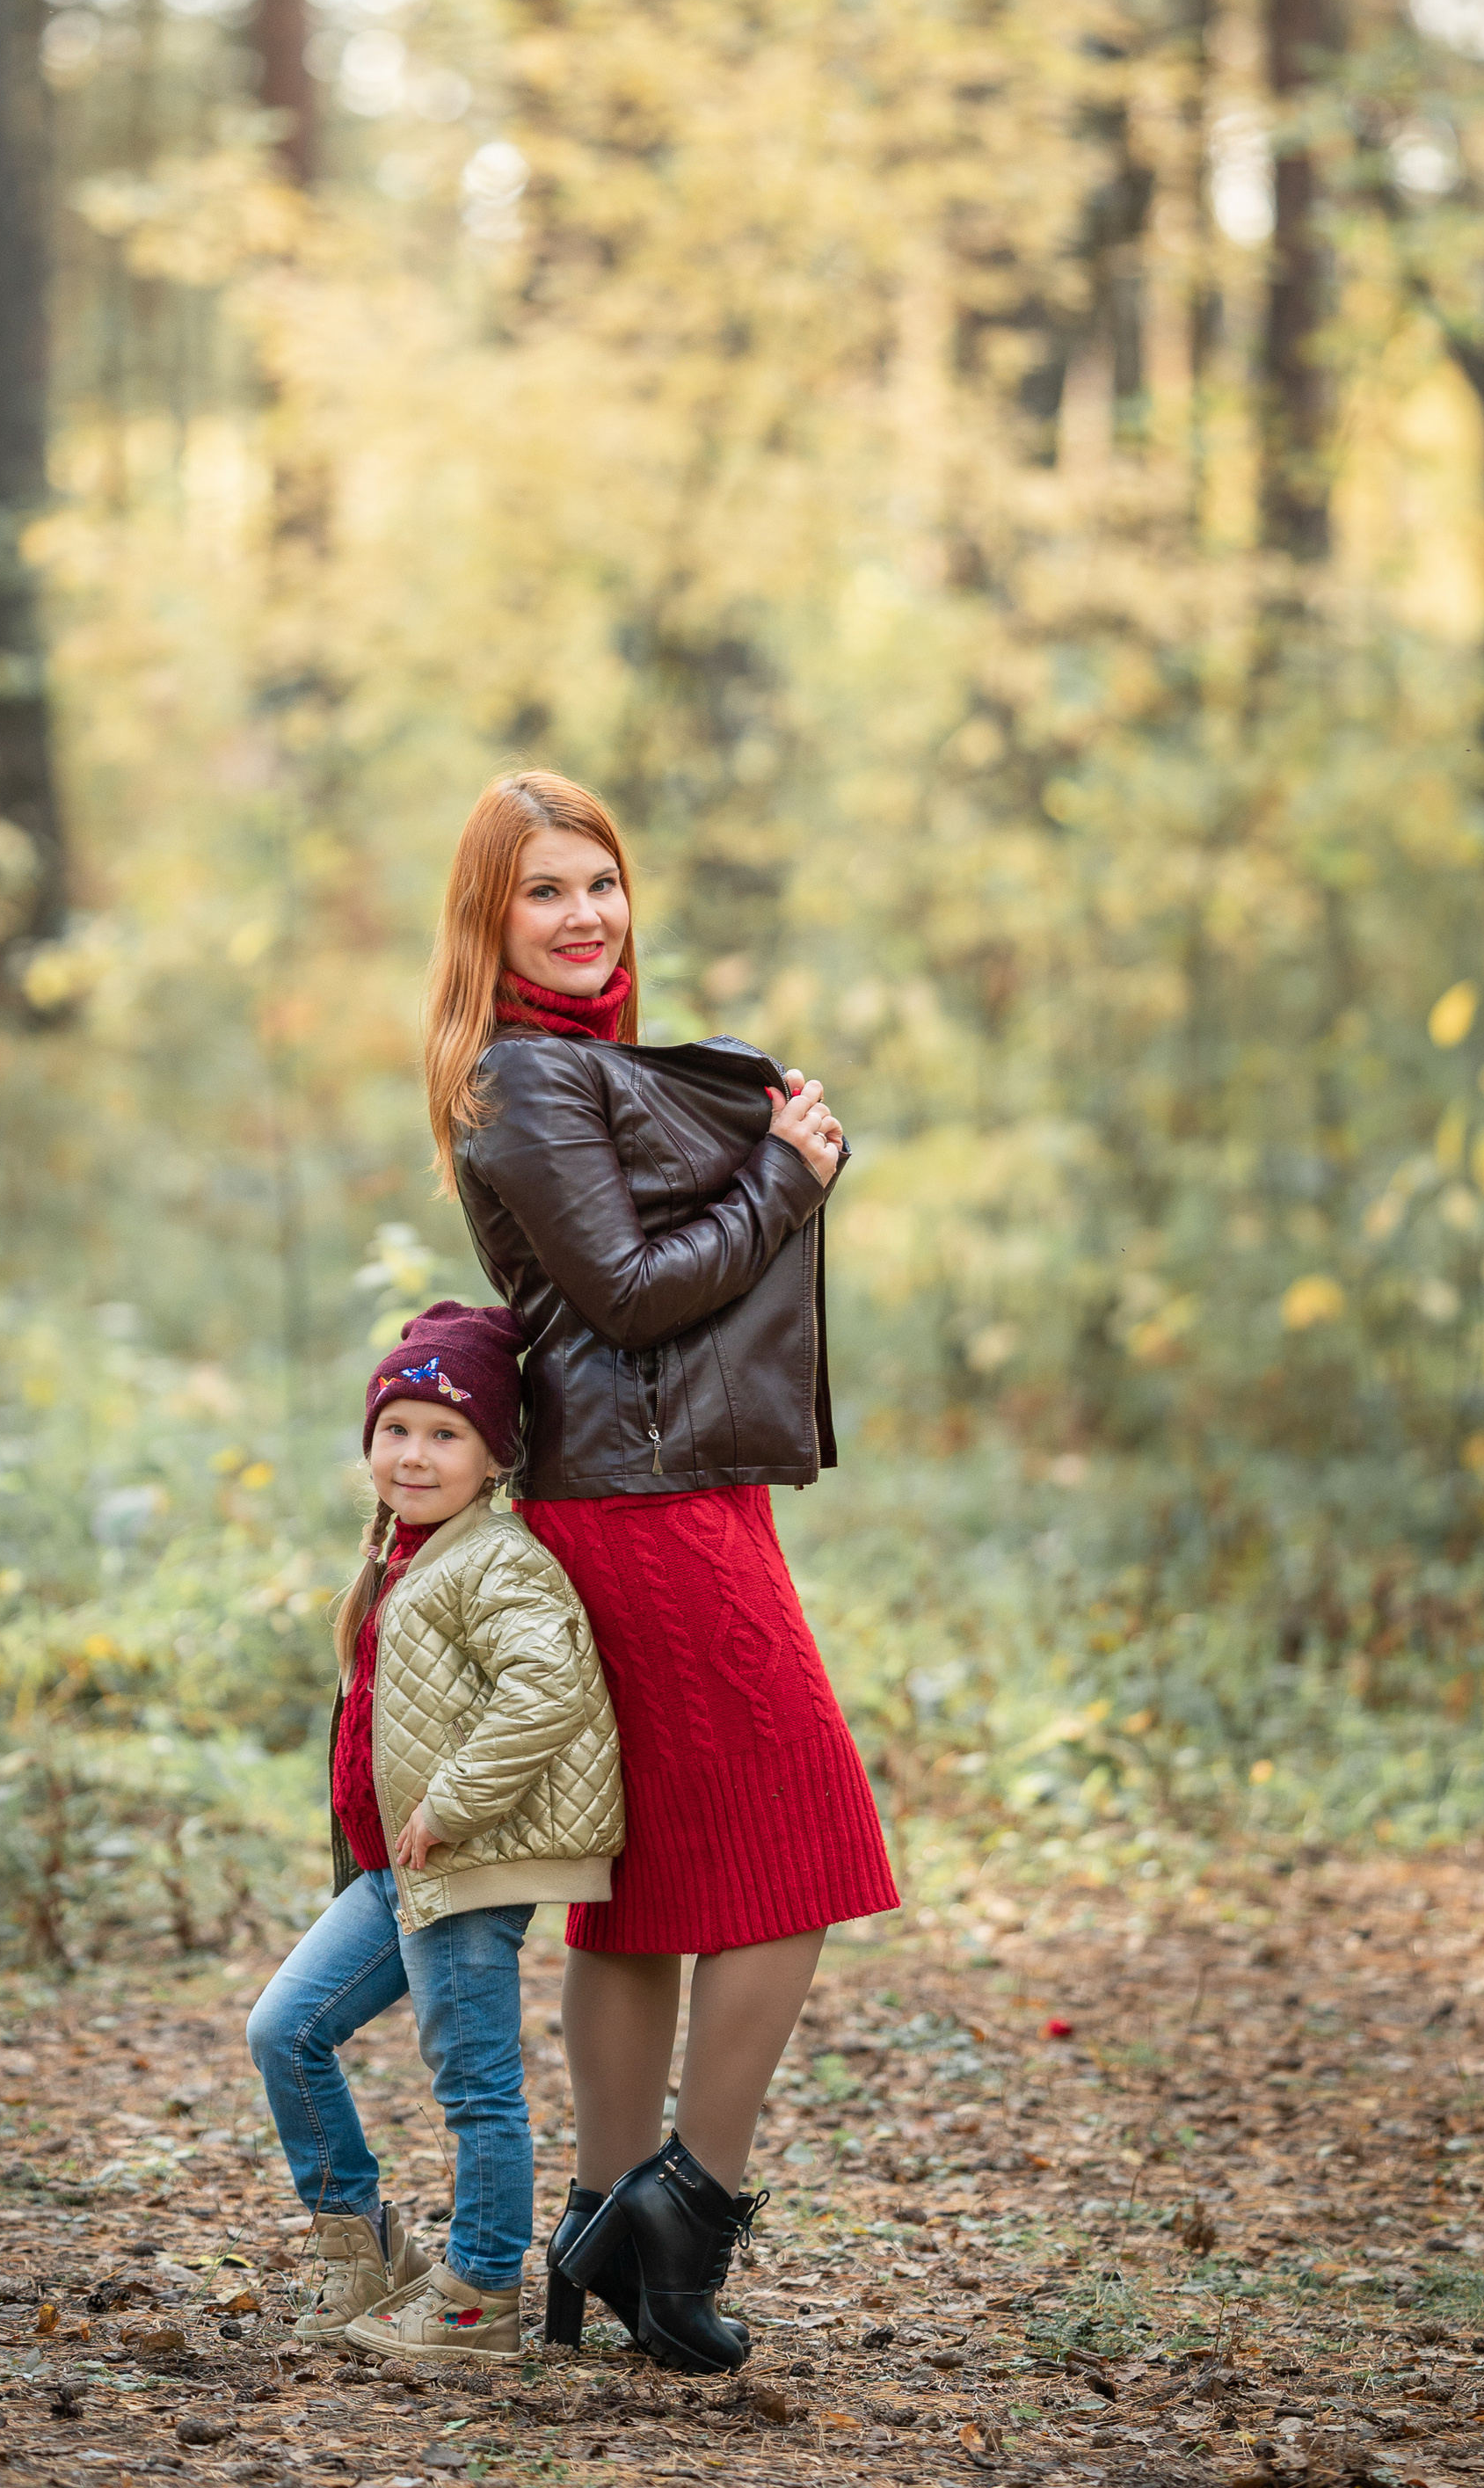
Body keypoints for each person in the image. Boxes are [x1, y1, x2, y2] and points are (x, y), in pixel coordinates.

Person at [426, 769, 898, 2377]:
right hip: (644, 1515)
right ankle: (684, 2210)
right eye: (544, 890)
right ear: (490, 917)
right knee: (808, 1839)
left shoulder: (578, 1067)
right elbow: (625, 1294)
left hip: (659, 1490)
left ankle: (599, 2215)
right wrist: (786, 1174)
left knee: (638, 1890)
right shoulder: (525, 1075)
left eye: (601, 884)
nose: (582, 915)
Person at [244, 1300, 623, 2366]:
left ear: (494, 1454)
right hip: (397, 1869)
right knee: (286, 2029)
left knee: (475, 2084)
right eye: (396, 1426)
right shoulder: (405, 1549)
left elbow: (547, 1684)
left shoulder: (495, 1557)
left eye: (445, 1432)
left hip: (466, 1858)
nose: (414, 1452)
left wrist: (452, 1801)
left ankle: (478, 2296)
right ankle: (361, 2250)